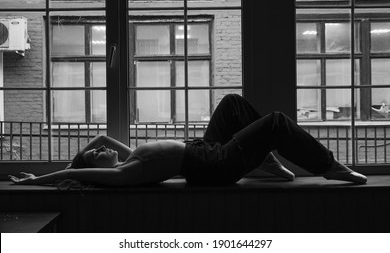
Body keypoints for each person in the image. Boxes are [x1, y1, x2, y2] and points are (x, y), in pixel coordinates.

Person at [9, 94, 367, 187]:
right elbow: (71, 176)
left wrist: (78, 158)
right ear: (95, 171)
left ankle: (262, 158)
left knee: (232, 104)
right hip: (214, 166)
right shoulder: (122, 176)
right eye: (97, 155)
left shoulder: (129, 157)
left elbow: (101, 136)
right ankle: (328, 166)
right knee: (275, 122)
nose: (102, 147)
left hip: (203, 149)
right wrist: (42, 178)